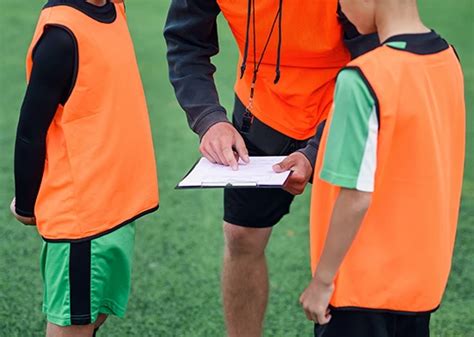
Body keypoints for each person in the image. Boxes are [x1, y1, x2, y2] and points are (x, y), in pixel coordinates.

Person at [164, 1, 379, 335]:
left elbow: (372, 61)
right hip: (261, 107)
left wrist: (314, 150)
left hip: (344, 106)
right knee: (241, 236)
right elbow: (185, 42)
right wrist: (208, 120)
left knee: (356, 242)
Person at [279, 0, 465, 336]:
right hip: (419, 284)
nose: (339, 11)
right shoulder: (448, 58)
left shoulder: (362, 78)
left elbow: (355, 196)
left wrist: (322, 282)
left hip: (358, 290)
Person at [10, 1, 159, 336]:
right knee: (71, 329)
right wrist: (25, 202)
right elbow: (30, 131)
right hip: (83, 219)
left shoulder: (115, 8)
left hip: (118, 207)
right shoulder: (61, 35)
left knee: (93, 318)